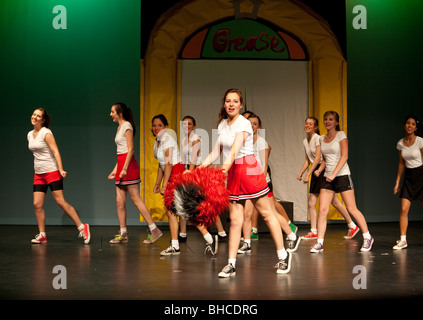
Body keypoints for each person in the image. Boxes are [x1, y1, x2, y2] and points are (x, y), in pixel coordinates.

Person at [200, 88, 292, 277]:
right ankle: (231, 264)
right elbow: (216, 151)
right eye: (228, 101)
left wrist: (222, 170)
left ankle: (283, 256)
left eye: (235, 101)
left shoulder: (243, 123)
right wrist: (198, 170)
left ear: (241, 105)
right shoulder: (223, 124)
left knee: (266, 214)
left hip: (248, 169)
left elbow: (234, 151)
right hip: (234, 171)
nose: (231, 104)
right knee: (235, 220)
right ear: (224, 104)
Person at [152, 114, 218, 256]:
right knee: (172, 211)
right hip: (169, 174)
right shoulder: (157, 141)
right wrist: (158, 183)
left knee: (185, 209)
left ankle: (208, 237)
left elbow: (169, 164)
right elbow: (161, 165)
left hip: (176, 174)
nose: (156, 128)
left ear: (166, 127)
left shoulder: (168, 139)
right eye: (154, 125)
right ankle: (176, 245)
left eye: (160, 125)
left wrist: (165, 185)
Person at [310, 111, 374, 253]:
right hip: (328, 177)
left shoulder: (341, 135)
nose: (327, 122)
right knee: (322, 210)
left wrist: (334, 174)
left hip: (342, 175)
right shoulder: (321, 138)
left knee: (352, 208)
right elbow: (326, 158)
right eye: (325, 119)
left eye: (331, 119)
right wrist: (320, 170)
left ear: (336, 122)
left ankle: (367, 237)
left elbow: (344, 156)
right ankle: (319, 242)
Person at [239, 113, 300, 254]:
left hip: (260, 182)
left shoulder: (261, 142)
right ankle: (247, 242)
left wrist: (259, 182)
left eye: (255, 124)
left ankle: (292, 235)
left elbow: (264, 166)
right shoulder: (244, 141)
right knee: (247, 213)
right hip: (248, 182)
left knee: (270, 212)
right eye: (249, 123)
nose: (252, 126)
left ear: (258, 127)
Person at [28, 108, 91, 244]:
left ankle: (82, 227)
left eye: (38, 116)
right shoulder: (29, 134)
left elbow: (56, 151)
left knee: (60, 201)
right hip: (39, 173)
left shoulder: (46, 133)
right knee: (37, 204)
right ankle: (42, 234)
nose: (35, 117)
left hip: (51, 171)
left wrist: (60, 169)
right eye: (34, 114)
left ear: (43, 120)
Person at [108, 103, 162, 244]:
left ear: (120, 113)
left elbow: (130, 149)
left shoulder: (127, 126)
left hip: (129, 166)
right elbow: (121, 151)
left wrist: (125, 168)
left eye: (112, 111)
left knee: (135, 199)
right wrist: (116, 169)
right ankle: (123, 232)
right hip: (122, 165)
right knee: (119, 202)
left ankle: (154, 229)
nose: (110, 114)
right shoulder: (119, 127)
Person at [297, 116, 359, 240]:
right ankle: (350, 225)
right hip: (316, 170)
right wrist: (301, 173)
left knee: (329, 201)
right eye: (306, 123)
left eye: (310, 124)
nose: (307, 126)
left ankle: (350, 225)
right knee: (320, 202)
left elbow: (319, 159)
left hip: (321, 169)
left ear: (315, 127)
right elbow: (307, 159)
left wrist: (309, 174)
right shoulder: (305, 141)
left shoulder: (317, 138)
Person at [179, 115, 227, 242]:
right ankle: (183, 233)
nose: (186, 126)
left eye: (189, 124)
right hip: (188, 170)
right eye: (184, 124)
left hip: (197, 172)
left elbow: (193, 159)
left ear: (194, 126)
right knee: (183, 201)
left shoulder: (196, 139)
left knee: (205, 203)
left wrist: (190, 173)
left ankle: (221, 232)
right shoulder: (185, 140)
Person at [393, 114, 423, 249]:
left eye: (412, 124)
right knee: (403, 209)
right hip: (409, 177)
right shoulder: (400, 143)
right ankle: (403, 240)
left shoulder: (420, 141)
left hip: (421, 175)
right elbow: (401, 163)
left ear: (416, 127)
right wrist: (397, 182)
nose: (409, 126)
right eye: (407, 123)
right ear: (404, 125)